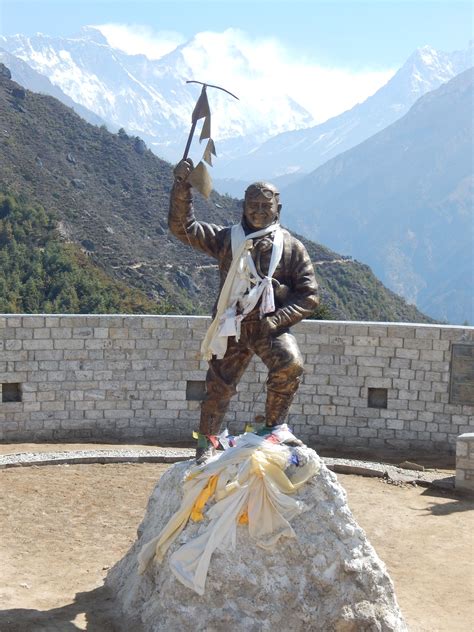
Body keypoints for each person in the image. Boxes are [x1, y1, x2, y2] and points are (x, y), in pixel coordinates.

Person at [169, 159, 319, 462]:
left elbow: (310, 295)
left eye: (266, 205)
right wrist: (182, 187)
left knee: (290, 365)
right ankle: (205, 445)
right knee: (218, 387)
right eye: (253, 205)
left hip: (269, 327)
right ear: (243, 207)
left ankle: (274, 429)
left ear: (279, 209)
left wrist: (277, 319)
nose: (260, 211)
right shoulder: (227, 239)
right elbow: (183, 228)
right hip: (232, 325)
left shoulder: (291, 248)